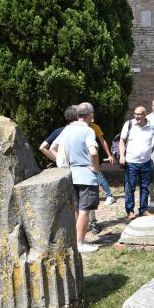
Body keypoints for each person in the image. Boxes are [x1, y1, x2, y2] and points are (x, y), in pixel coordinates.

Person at [51, 102, 100, 254]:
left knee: (77, 210)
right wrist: (96, 168)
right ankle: (80, 243)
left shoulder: (67, 130)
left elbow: (53, 148)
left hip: (70, 174)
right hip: (86, 176)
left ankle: (75, 242)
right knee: (85, 210)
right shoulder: (88, 131)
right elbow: (93, 152)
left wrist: (63, 165)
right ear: (90, 114)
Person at [119, 106, 154, 219]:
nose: (136, 116)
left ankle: (143, 210)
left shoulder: (152, 125)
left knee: (145, 187)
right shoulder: (129, 124)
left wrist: (153, 147)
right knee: (130, 187)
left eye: (139, 114)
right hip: (131, 162)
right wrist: (122, 156)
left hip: (146, 162)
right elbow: (122, 141)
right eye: (135, 114)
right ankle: (130, 211)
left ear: (145, 114)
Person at [87, 116, 117, 235]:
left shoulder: (94, 128)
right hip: (80, 164)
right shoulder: (72, 129)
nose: (93, 118)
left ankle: (109, 195)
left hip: (92, 160)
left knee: (98, 177)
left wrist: (109, 154)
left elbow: (102, 140)